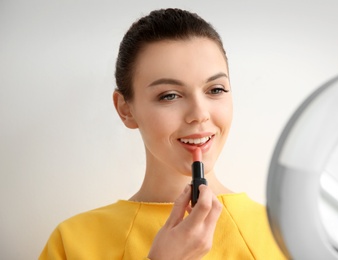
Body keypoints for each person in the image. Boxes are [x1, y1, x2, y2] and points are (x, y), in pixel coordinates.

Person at [39, 8, 286, 260]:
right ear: (126, 110)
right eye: (169, 95)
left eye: (216, 89)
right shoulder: (72, 242)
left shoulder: (284, 237)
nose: (199, 114)